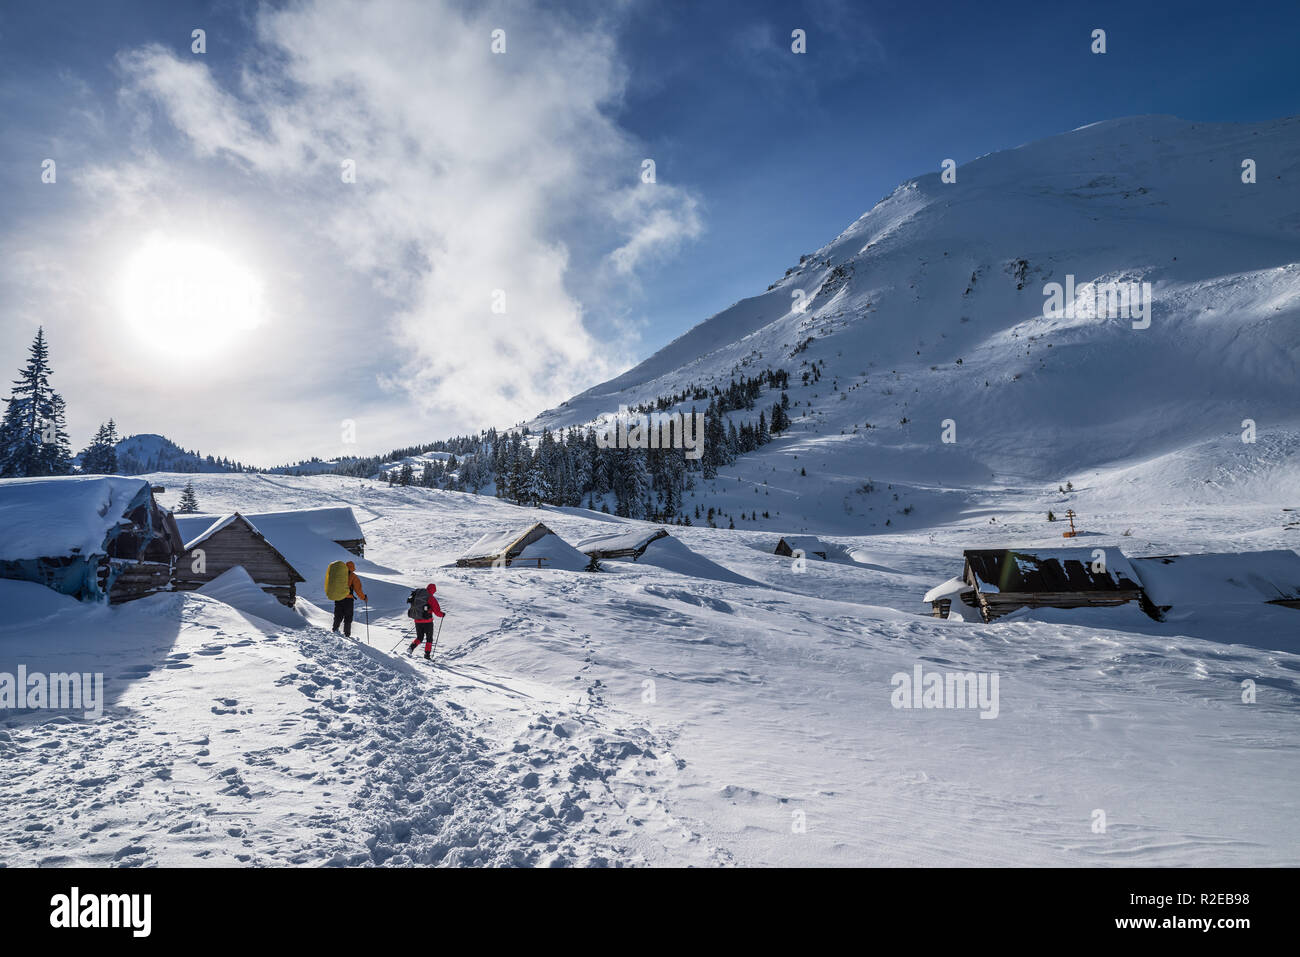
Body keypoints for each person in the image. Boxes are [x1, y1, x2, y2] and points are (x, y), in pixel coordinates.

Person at [406, 583, 445, 659]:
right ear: (433, 590)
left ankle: (411, 648)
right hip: (428, 621)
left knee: (419, 637)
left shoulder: (419, 595)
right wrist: (442, 615)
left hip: (417, 620)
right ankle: (427, 656)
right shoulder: (430, 598)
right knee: (429, 639)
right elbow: (437, 611)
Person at [332, 561, 367, 637]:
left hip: (338, 598)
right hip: (348, 600)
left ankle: (335, 629)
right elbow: (358, 590)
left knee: (338, 615)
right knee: (348, 616)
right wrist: (363, 597)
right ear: (352, 568)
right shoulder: (353, 577)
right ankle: (347, 634)